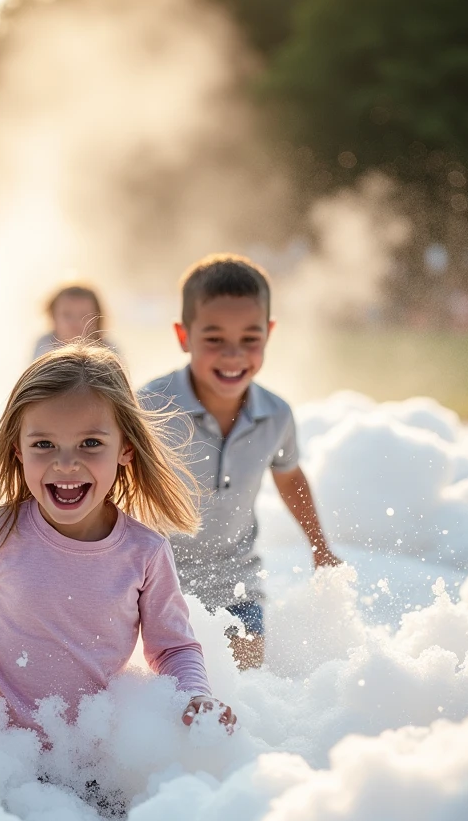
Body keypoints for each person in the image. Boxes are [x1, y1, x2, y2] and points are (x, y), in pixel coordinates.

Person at [0, 344, 234, 735]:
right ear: (17, 450)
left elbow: (173, 648)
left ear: (125, 448)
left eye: (90, 443)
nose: (66, 463)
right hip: (3, 751)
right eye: (43, 444)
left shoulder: (145, 552)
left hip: (94, 756)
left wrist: (195, 695)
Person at [140, 253, 340, 669]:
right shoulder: (149, 408)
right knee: (168, 690)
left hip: (235, 582)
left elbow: (290, 478)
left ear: (269, 334)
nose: (233, 355)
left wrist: (320, 547)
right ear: (183, 335)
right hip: (150, 580)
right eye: (214, 339)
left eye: (250, 339)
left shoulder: (276, 415)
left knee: (245, 689)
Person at [32, 284, 122, 360]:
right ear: (53, 317)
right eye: (67, 315)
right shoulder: (43, 347)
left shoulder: (109, 351)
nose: (75, 322)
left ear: (97, 318)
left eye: (84, 315)